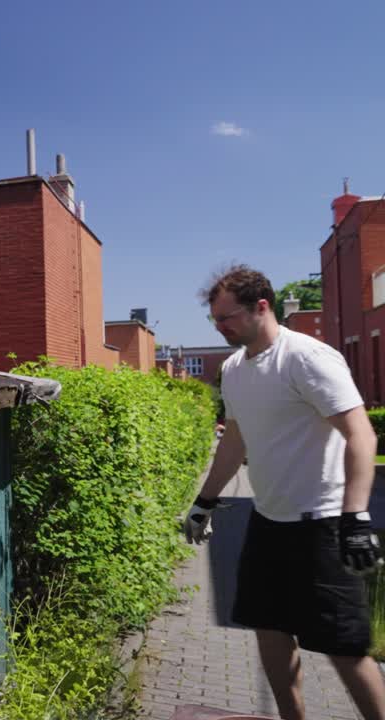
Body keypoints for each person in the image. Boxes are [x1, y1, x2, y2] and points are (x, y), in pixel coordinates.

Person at [184, 264, 385, 720]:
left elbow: (361, 435)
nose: (220, 327)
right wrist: (205, 500)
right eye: (214, 319)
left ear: (261, 306)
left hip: (324, 524)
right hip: (268, 522)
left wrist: (355, 517)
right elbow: (234, 442)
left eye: (227, 317)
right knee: (269, 629)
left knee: (345, 647)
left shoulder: (307, 358)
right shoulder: (234, 370)